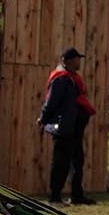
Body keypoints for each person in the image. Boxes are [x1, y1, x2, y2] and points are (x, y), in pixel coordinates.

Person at [39, 46, 97, 205]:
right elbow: (51, 102)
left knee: (77, 162)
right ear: (69, 61)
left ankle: (77, 195)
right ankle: (54, 196)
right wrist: (43, 118)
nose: (80, 61)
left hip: (74, 127)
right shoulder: (61, 78)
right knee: (60, 163)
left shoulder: (71, 77)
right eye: (77, 58)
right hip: (63, 127)